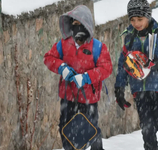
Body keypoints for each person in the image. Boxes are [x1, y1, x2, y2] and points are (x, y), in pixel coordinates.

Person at [43, 5, 112, 150]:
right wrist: (62, 68)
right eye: (74, 24)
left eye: (80, 24)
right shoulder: (63, 44)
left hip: (89, 98)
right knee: (65, 128)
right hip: (67, 97)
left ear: (87, 25)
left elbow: (106, 68)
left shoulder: (98, 47)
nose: (77, 28)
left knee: (91, 131)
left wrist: (87, 77)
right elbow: (48, 58)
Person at [114, 0, 158, 150]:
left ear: (148, 16)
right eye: (132, 19)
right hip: (139, 89)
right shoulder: (129, 37)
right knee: (147, 128)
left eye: (140, 19)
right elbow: (123, 65)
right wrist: (120, 87)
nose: (136, 23)